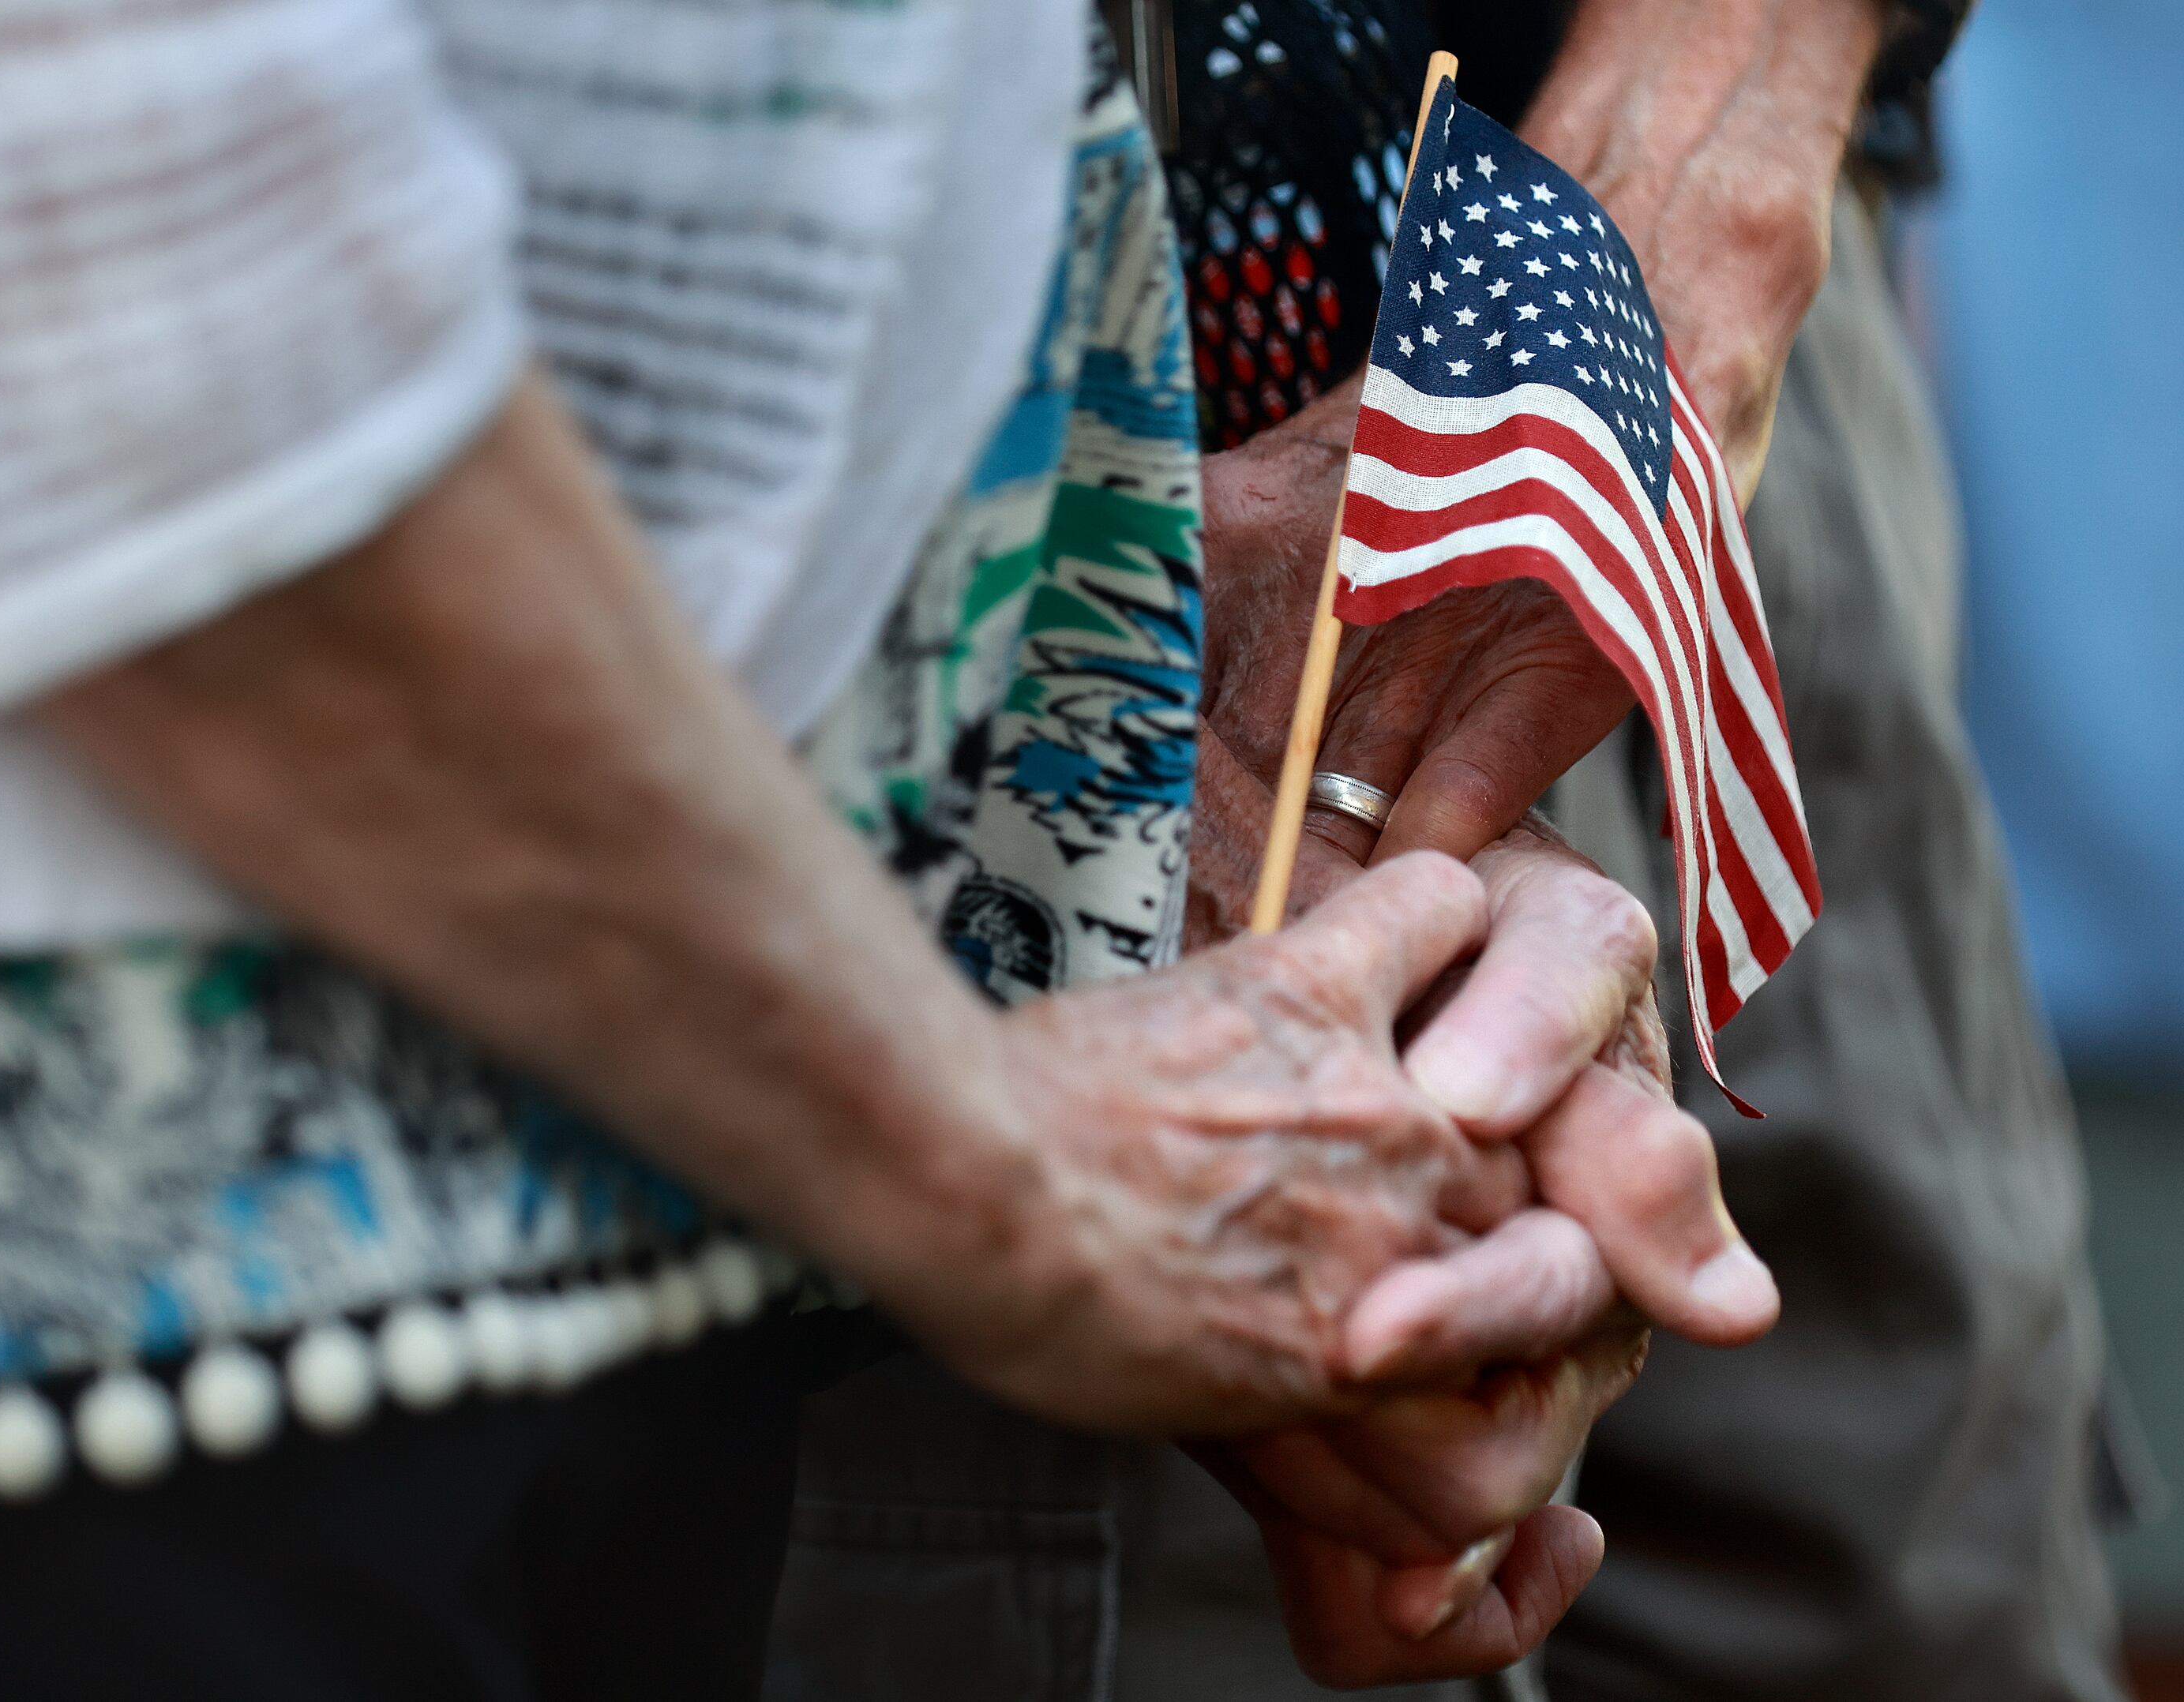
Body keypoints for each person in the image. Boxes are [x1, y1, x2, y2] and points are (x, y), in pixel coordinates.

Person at [0, 2, 1769, 1696]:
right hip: (77, 1356)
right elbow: (59, 255)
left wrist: (1194, 923)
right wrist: (997, 1158)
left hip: (641, 1248)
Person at [771, 2, 2129, 1699]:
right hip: (901, 510)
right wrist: (1055, 792)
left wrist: (1729, 130)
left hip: (1714, 406)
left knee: (1917, 1609)